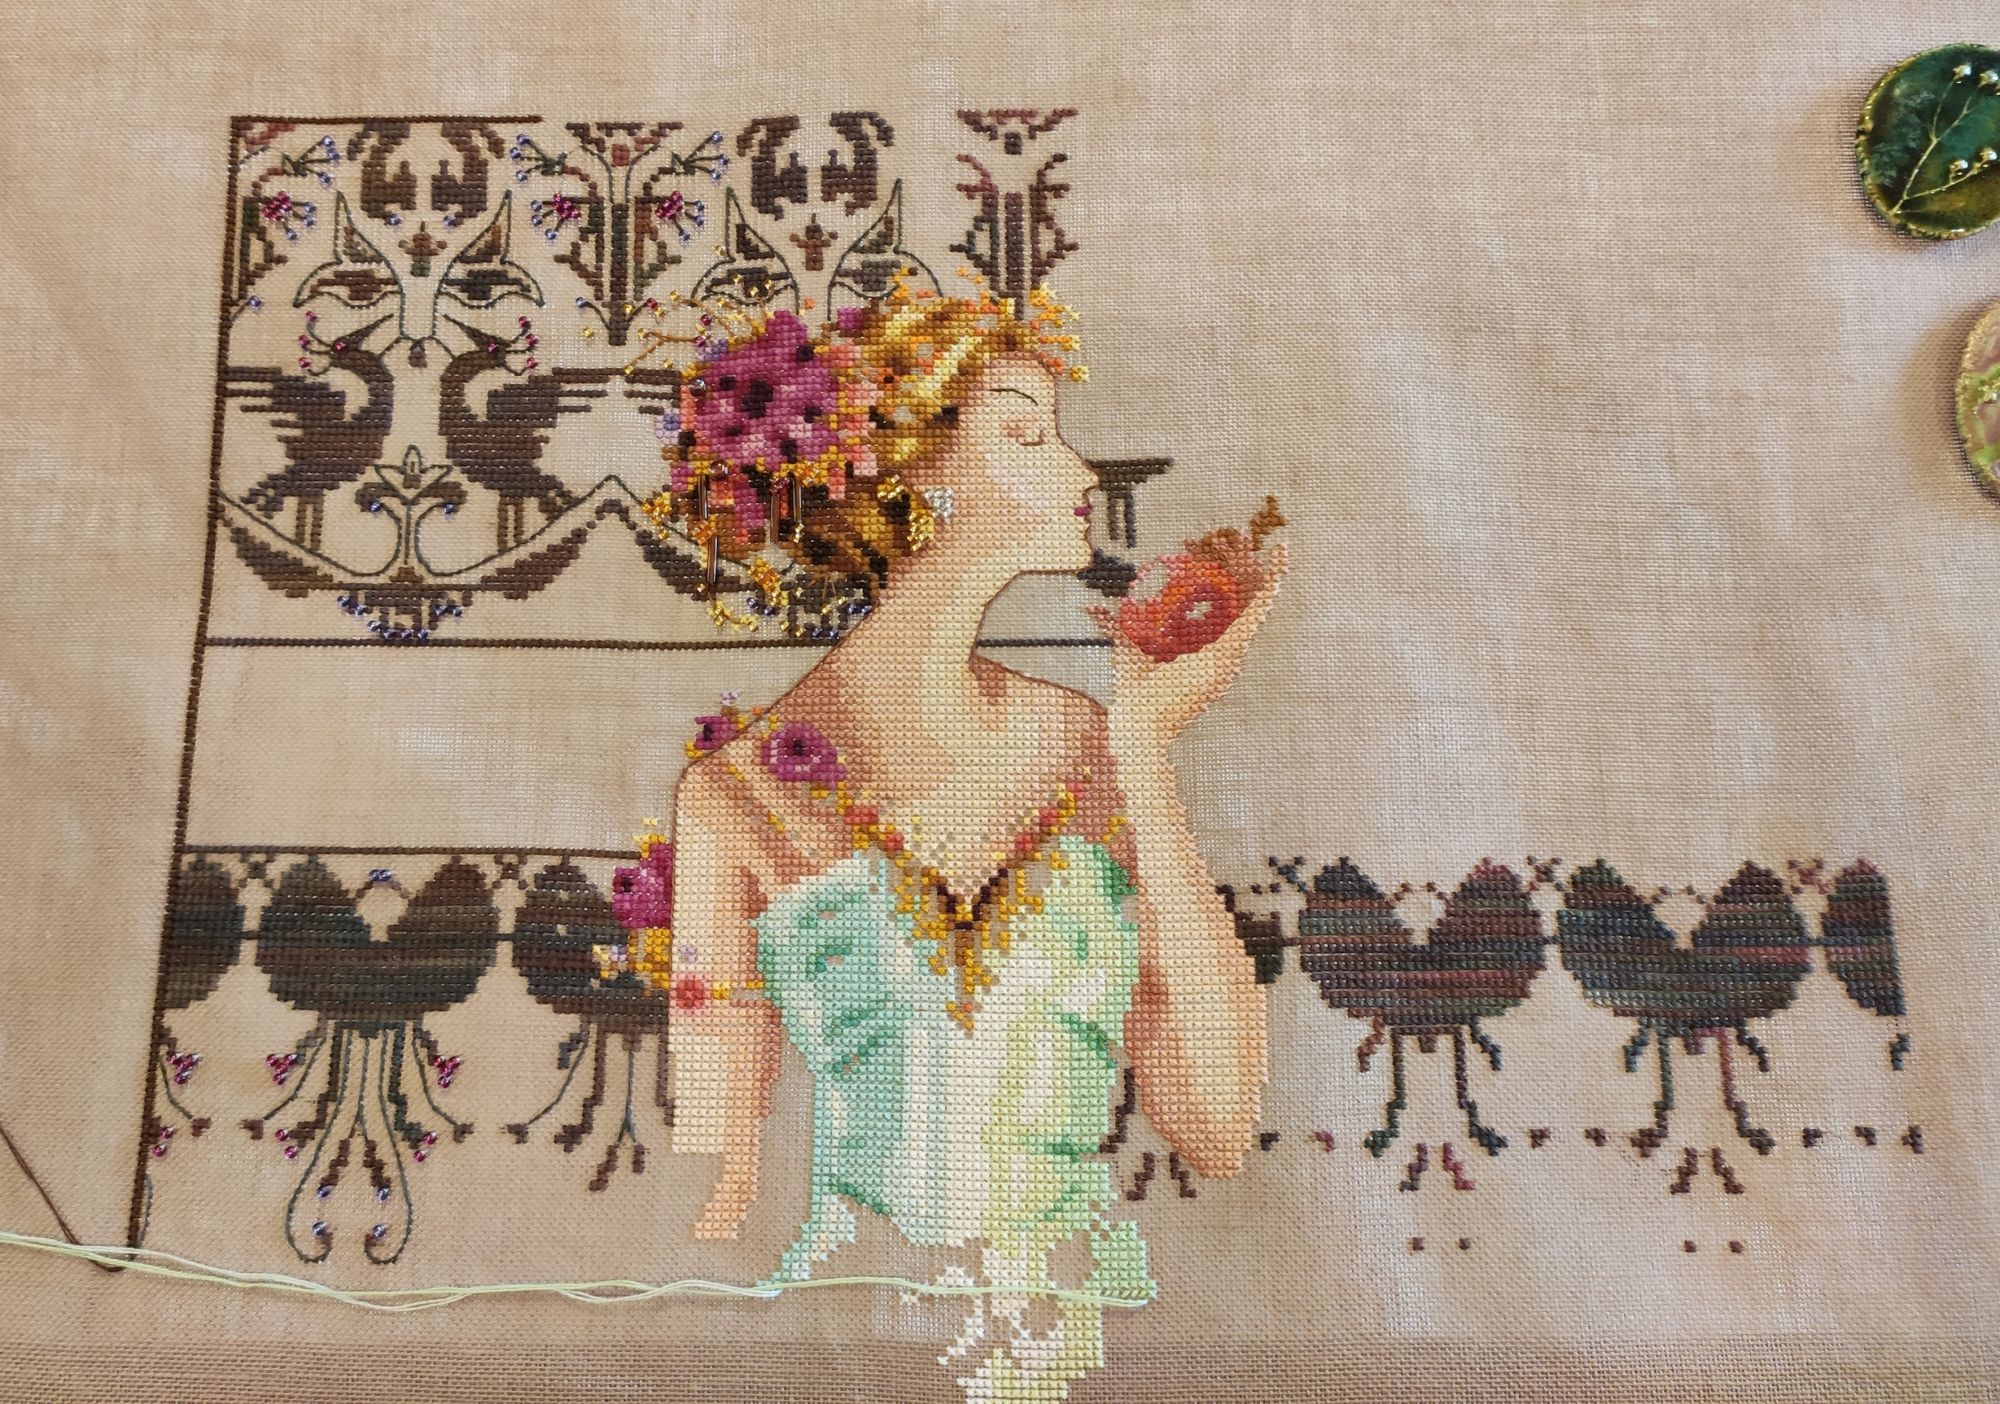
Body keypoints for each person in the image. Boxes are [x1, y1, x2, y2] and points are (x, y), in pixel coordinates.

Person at [656, 283, 1283, 1399]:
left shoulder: (1093, 749)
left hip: (1084, 1343)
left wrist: (1143, 746)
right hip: (845, 1346)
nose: (1081, 473)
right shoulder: (733, 797)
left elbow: (1219, 1123)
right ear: (915, 482)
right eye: (1027, 437)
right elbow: (715, 1187)